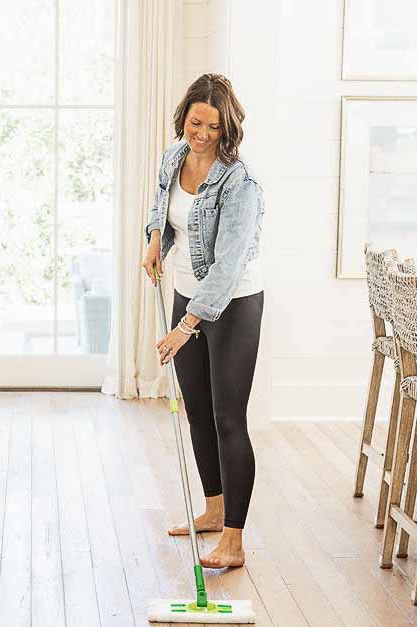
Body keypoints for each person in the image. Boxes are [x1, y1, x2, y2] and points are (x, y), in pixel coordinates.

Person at [141, 73, 265, 569]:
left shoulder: (240, 183)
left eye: (214, 127)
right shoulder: (174, 157)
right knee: (196, 412)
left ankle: (234, 540)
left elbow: (228, 265)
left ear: (227, 127)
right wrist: (154, 240)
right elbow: (162, 209)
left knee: (228, 419)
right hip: (188, 296)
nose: (203, 134)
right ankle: (213, 511)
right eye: (196, 122)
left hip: (232, 303)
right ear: (184, 117)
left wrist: (184, 326)